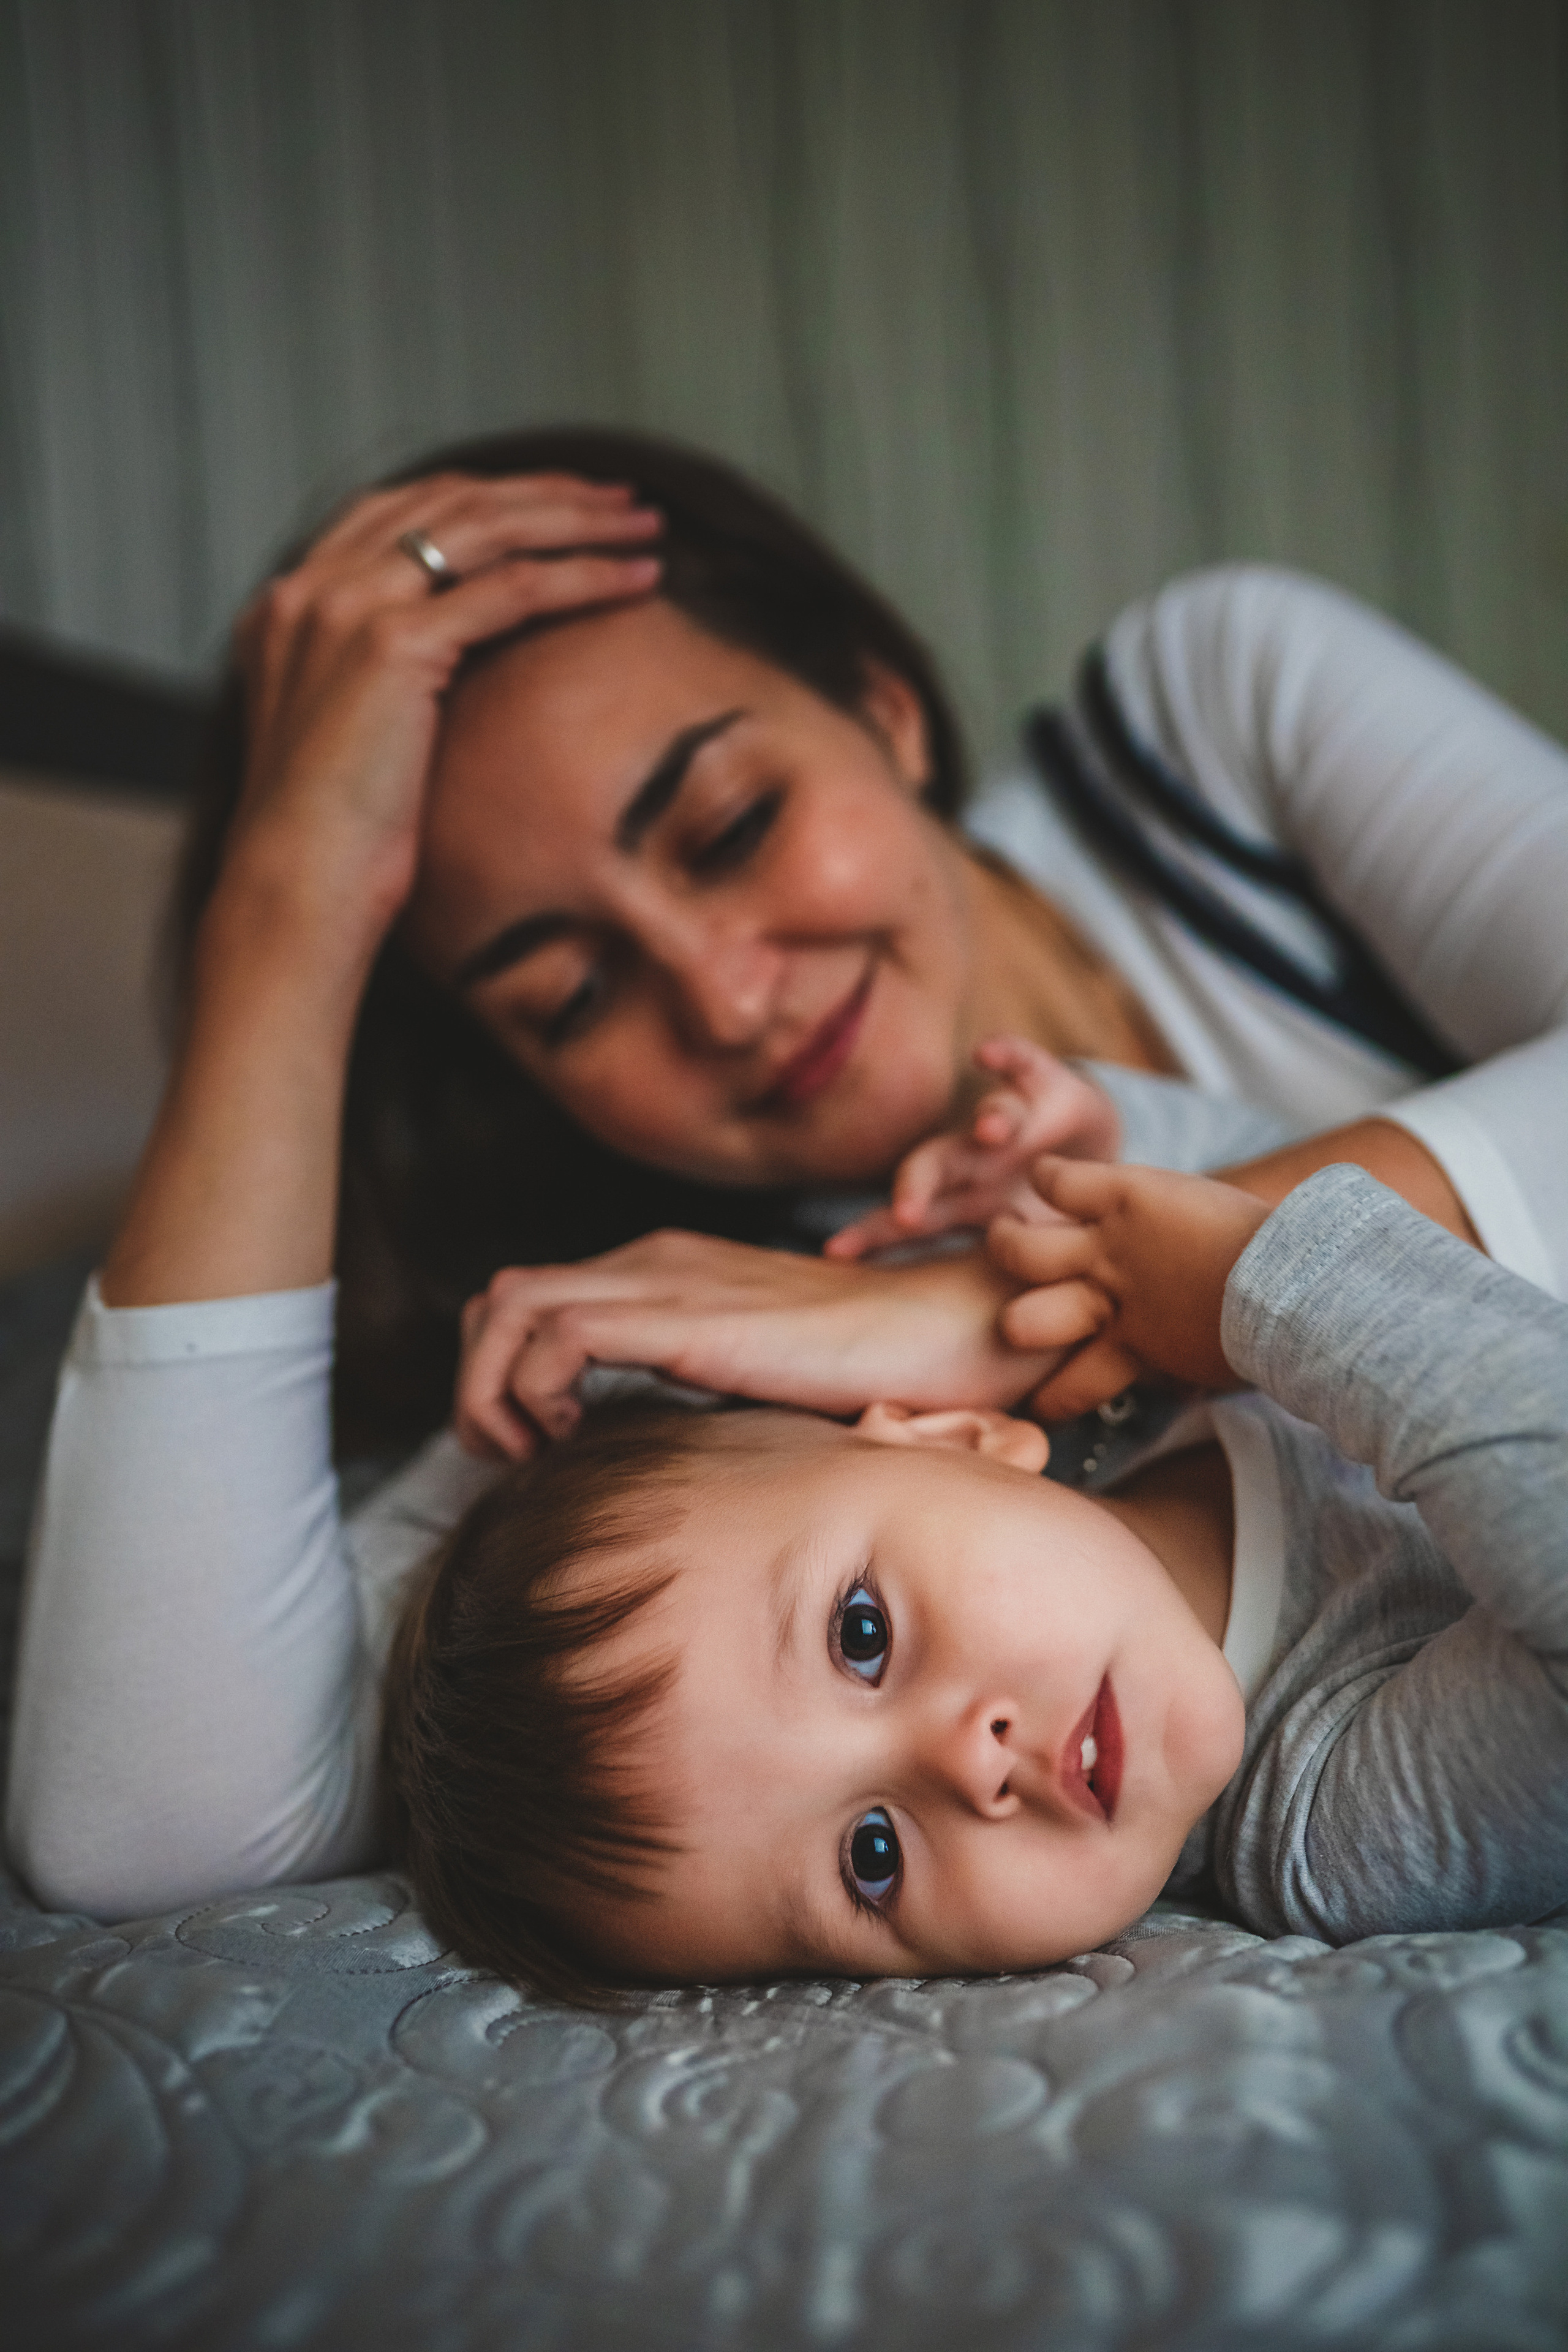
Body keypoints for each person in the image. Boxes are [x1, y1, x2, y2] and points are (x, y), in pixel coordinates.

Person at [9, 427, 1568, 1918]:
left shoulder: (1201, 735)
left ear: (880, 707)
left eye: (730, 826)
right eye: (571, 995)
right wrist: (287, 919)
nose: (726, 997)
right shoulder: (689, 1383)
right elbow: (148, 1825)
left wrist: (997, 1298)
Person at [383, 1156, 1568, 2003]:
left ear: (957, 1433)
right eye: (873, 1859)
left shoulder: (1116, 1374)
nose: (967, 1762)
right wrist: (1243, 1282)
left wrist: (1079, 1168)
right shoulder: (1333, 1824)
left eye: (860, 1636)